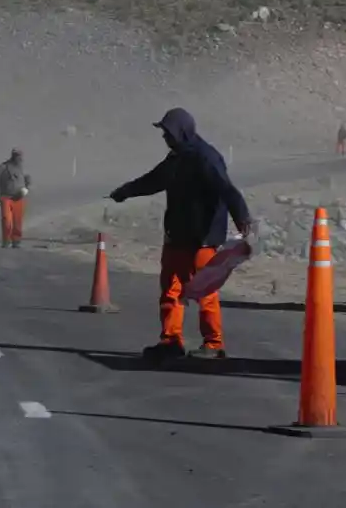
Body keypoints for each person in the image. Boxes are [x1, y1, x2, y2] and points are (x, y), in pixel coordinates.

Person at [108, 108, 252, 361]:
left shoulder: (206, 158)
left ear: (182, 132)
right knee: (170, 291)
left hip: (202, 240)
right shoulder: (175, 159)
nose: (164, 137)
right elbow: (153, 180)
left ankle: (213, 343)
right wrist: (126, 191)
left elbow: (227, 190)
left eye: (168, 132)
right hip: (176, 237)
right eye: (164, 132)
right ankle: (171, 341)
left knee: (204, 292)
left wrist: (242, 219)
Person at [0, 148, 31, 248]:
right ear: (13, 156)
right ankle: (6, 240)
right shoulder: (3, 167)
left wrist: (26, 188)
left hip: (19, 197)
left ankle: (16, 240)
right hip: (6, 197)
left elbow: (27, 179)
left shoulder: (22, 168)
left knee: (18, 220)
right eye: (17, 156)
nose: (19, 158)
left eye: (20, 156)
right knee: (7, 220)